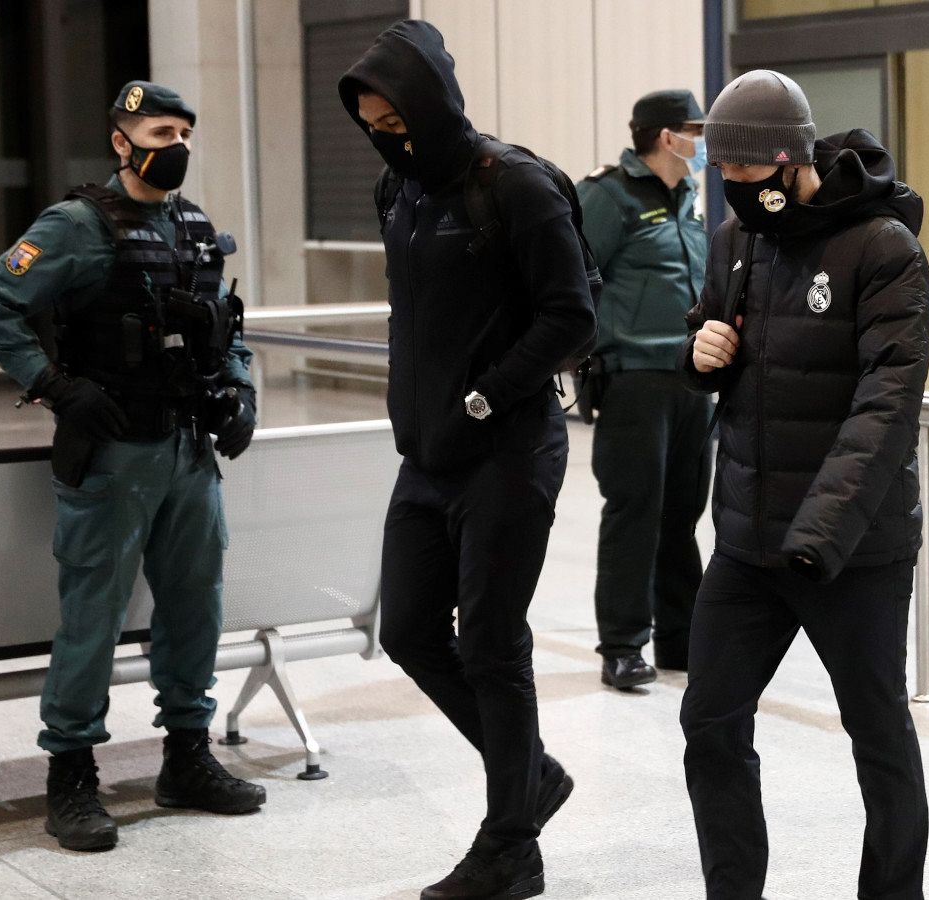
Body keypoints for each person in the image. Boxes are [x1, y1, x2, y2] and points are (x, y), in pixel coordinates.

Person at [0, 81, 264, 852]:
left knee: (196, 609)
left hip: (190, 452)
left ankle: (187, 759)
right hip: (113, 457)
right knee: (92, 616)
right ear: (122, 141)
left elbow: (227, 325)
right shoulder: (76, 225)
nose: (179, 145)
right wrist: (52, 382)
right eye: (162, 129)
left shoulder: (195, 225)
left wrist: (240, 392)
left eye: (187, 131)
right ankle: (71, 778)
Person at [339, 20, 594, 899]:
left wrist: (486, 391)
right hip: (427, 454)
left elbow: (573, 317)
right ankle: (531, 776)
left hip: (509, 450)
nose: (388, 139)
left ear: (432, 105)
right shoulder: (395, 191)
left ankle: (511, 846)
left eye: (397, 123)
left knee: (491, 642)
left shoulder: (515, 186)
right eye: (373, 127)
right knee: (409, 628)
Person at [678, 69, 929, 899]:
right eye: (726, 180)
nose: (736, 194)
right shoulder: (735, 240)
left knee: (878, 736)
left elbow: (885, 405)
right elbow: (719, 338)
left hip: (849, 550)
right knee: (710, 725)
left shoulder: (883, 248)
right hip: (749, 542)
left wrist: (821, 534)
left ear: (791, 162)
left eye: (749, 178)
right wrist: (701, 354)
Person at [576, 89, 712, 691]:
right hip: (633, 381)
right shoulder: (607, 197)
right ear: (666, 136)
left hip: (692, 380)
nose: (703, 143)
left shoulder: (688, 199)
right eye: (695, 130)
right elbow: (573, 280)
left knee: (683, 513)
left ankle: (681, 640)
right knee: (636, 512)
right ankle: (623, 645)